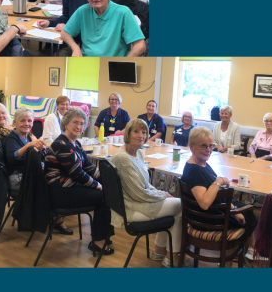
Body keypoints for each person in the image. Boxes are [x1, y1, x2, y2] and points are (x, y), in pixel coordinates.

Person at [110, 119, 182, 267]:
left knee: (173, 204)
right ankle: (171, 256)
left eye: (144, 132)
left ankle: (160, 251)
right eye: (136, 131)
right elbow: (139, 193)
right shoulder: (123, 158)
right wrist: (163, 195)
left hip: (139, 201)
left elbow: (145, 185)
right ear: (128, 134)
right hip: (132, 207)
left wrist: (160, 192)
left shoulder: (139, 153)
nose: (141, 135)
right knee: (181, 205)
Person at [45, 108, 114, 256]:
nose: (79, 127)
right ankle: (98, 241)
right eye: (75, 122)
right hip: (60, 192)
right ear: (66, 124)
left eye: (82, 124)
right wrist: (98, 185)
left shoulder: (75, 144)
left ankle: (102, 236)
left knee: (108, 193)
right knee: (104, 197)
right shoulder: (60, 145)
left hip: (71, 188)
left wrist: (107, 182)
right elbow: (78, 174)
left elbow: (90, 168)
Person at [181, 127, 257, 253]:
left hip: (214, 208)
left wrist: (233, 208)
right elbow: (204, 203)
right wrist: (219, 181)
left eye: (211, 146)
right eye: (203, 146)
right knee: (249, 215)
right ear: (191, 147)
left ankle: (249, 250)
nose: (209, 150)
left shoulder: (202, 163)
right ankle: (247, 251)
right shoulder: (194, 171)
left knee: (245, 210)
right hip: (206, 218)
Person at [59, 0, 145, 57]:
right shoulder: (82, 11)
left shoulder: (123, 13)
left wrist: (124, 63)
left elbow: (140, 45)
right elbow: (65, 33)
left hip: (112, 63)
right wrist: (75, 48)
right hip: (87, 61)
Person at [4, 107, 47, 192]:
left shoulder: (29, 138)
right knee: (49, 184)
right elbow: (12, 158)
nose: (26, 123)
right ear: (14, 123)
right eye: (22, 121)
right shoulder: (11, 139)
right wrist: (29, 145)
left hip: (28, 174)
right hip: (17, 177)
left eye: (29, 121)